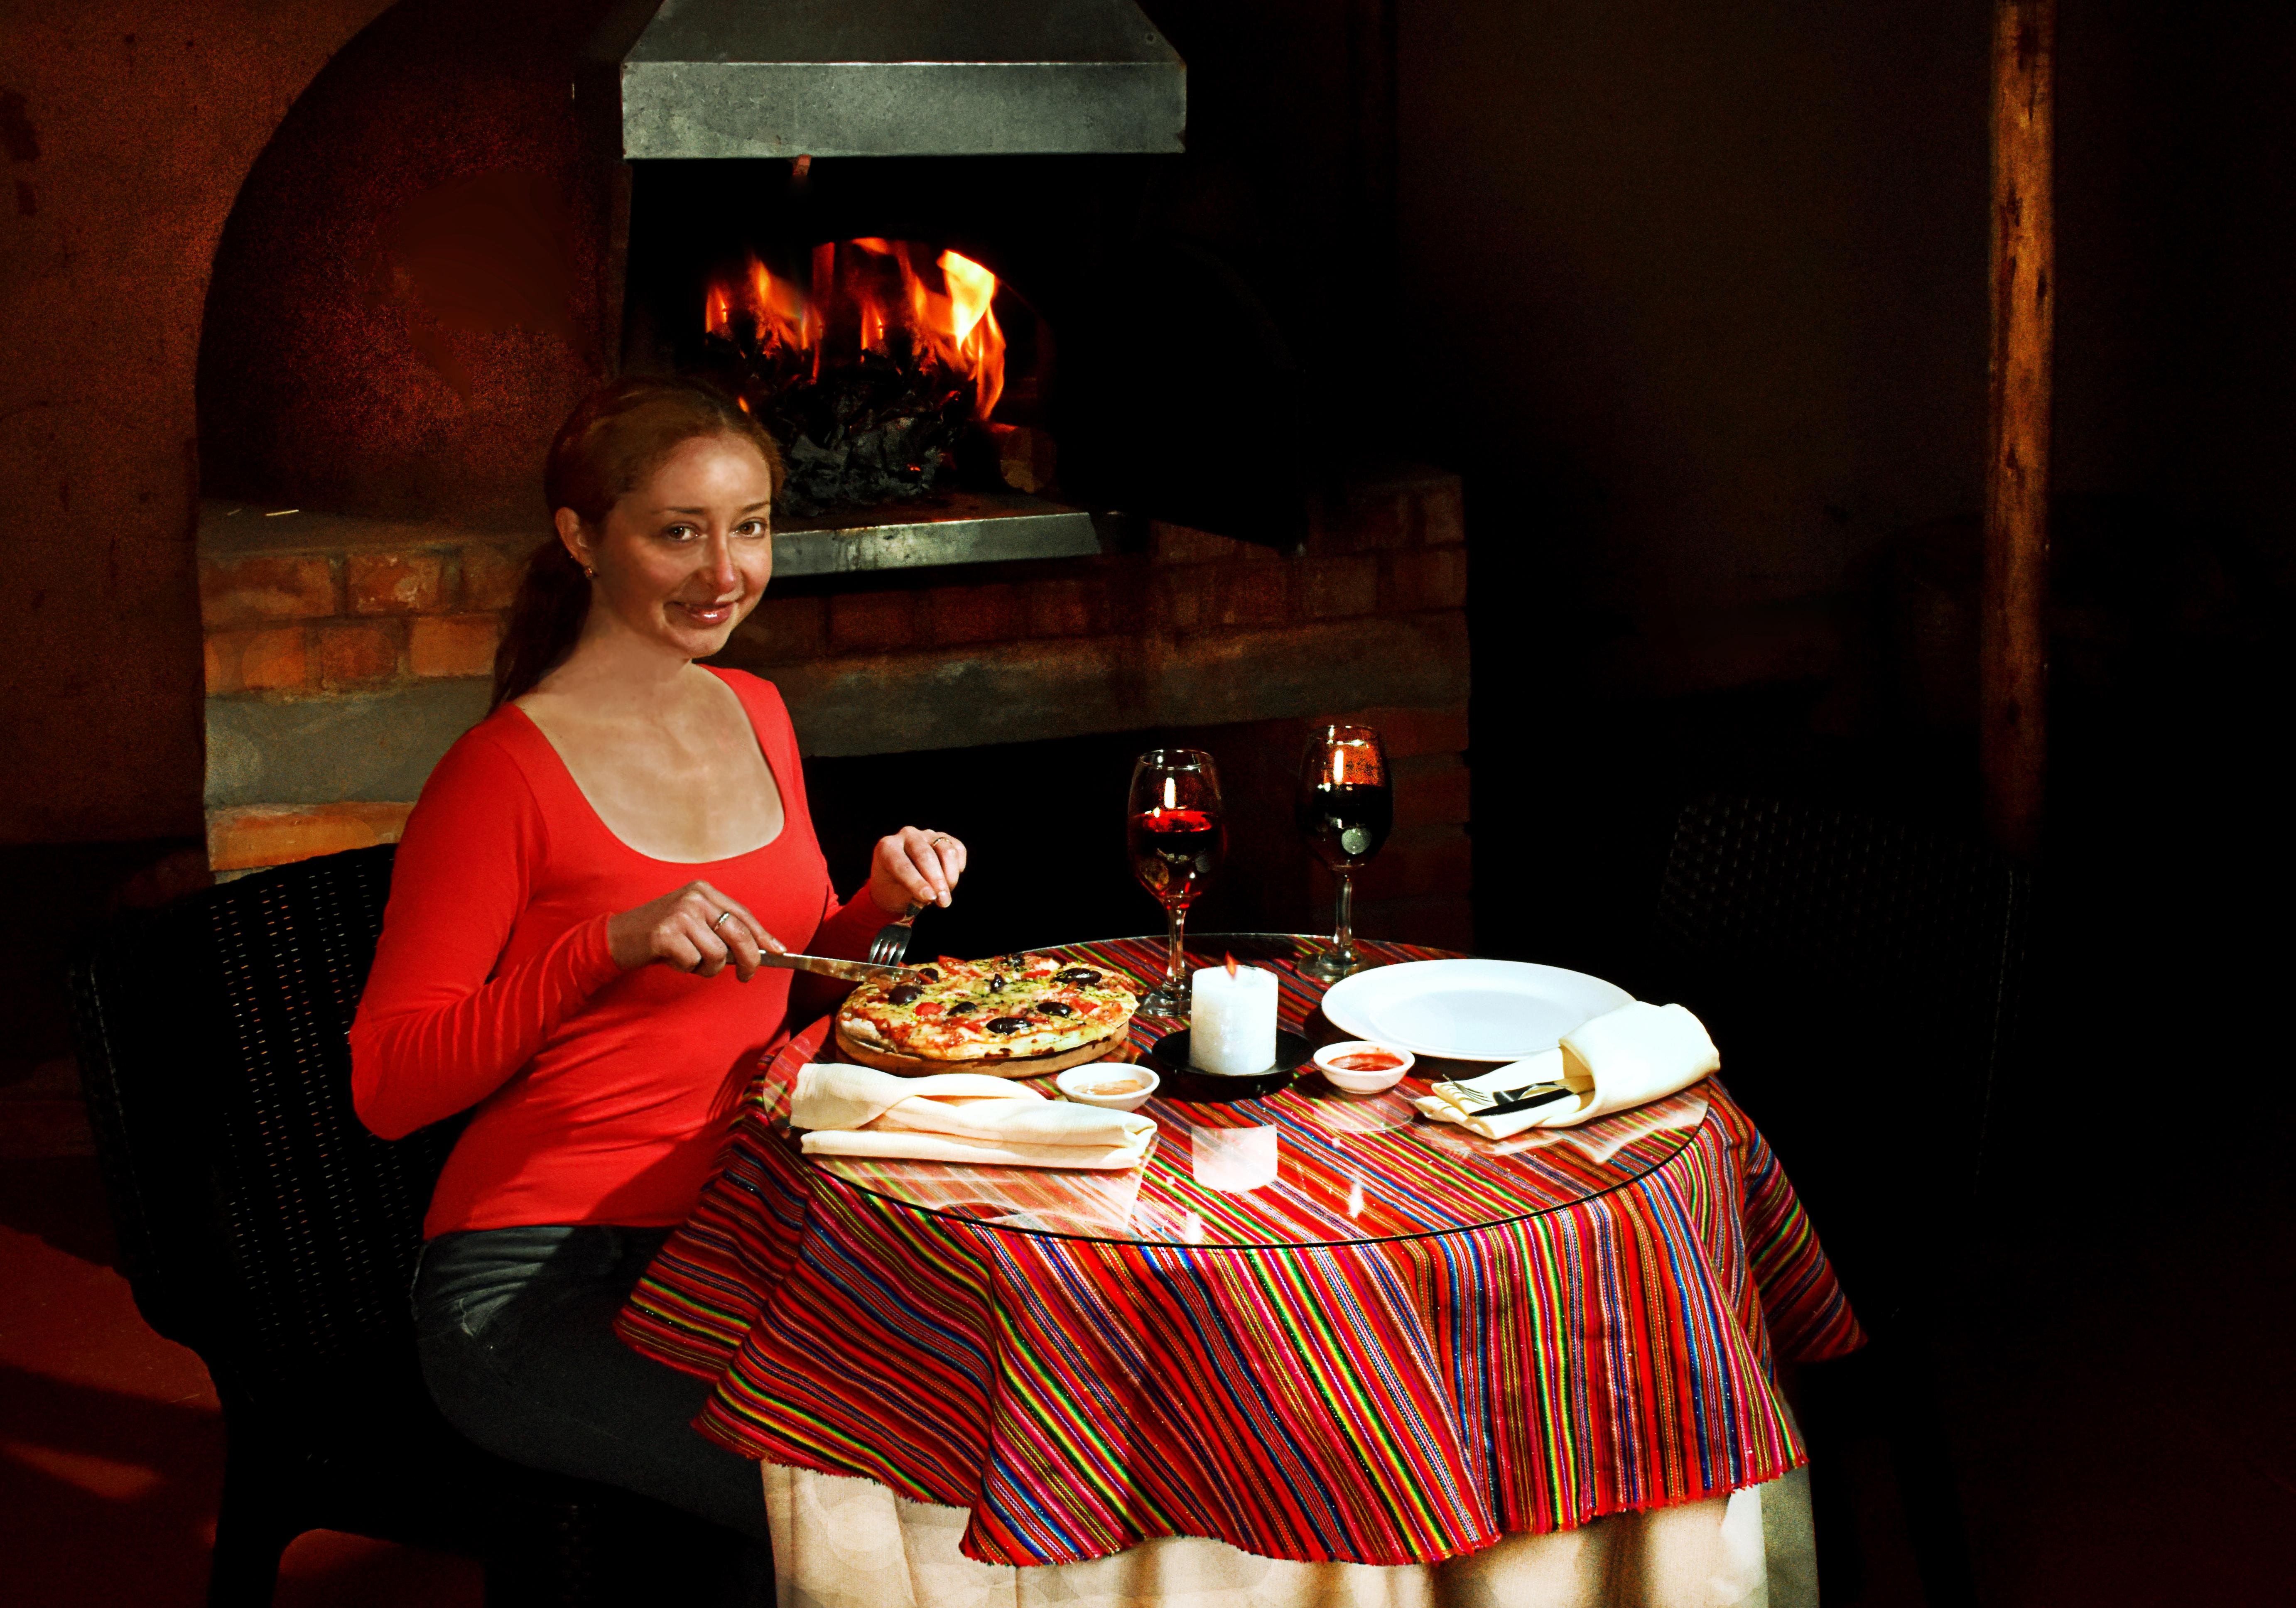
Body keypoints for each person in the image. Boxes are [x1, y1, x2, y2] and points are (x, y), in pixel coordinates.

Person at [349, 375, 967, 1556]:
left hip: (734, 1234)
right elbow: (386, 1086)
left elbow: (786, 977)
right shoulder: (500, 775)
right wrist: (601, 946)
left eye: (750, 527)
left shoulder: (757, 710)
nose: (724, 573)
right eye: (678, 533)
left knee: (981, 1429)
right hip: (535, 1284)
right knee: (840, 1508)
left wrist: (875, 907)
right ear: (583, 538)